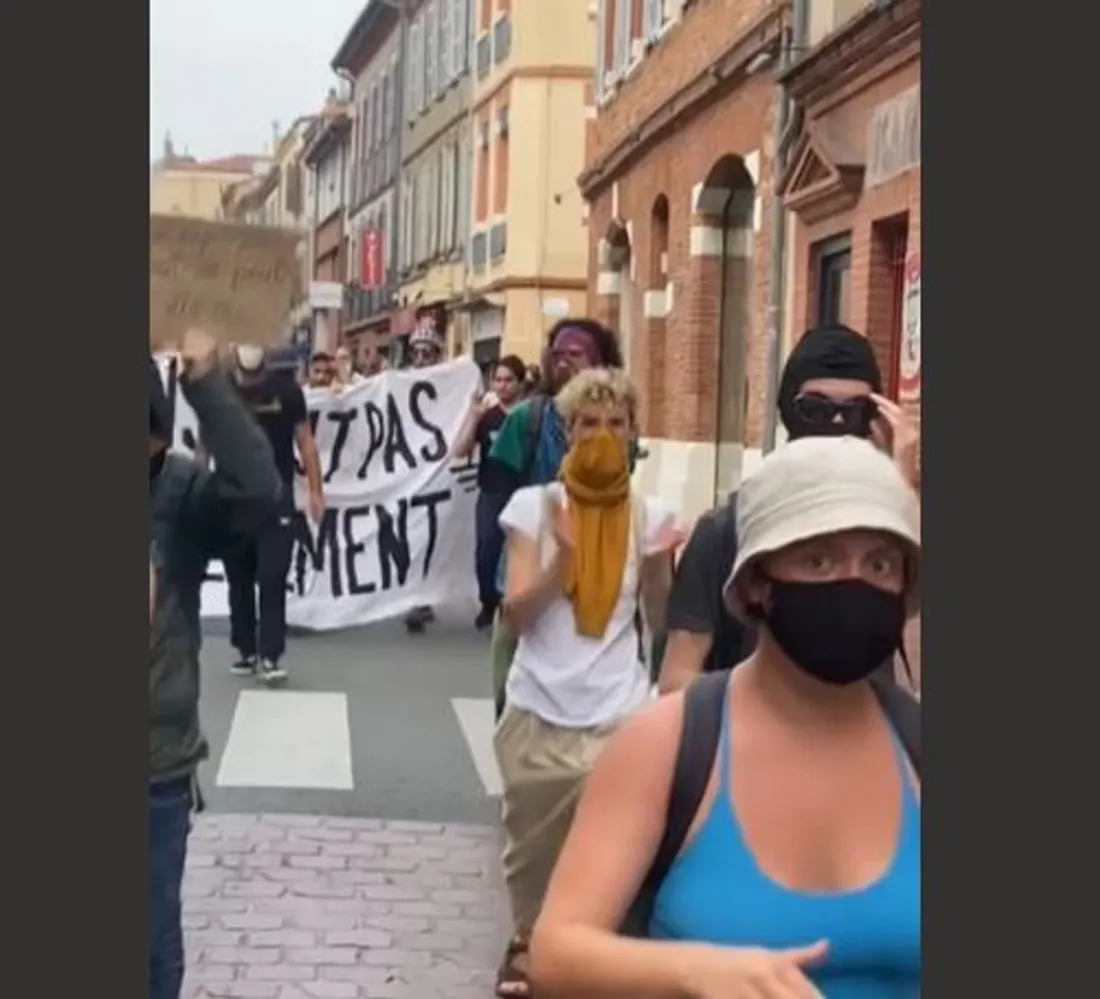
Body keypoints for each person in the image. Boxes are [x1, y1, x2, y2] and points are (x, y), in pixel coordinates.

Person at [529, 435, 921, 999]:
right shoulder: (669, 743)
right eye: (818, 560)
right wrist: (693, 972)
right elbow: (556, 954)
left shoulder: (919, 746)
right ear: (758, 582)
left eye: (879, 563)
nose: (851, 583)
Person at [492, 368, 679, 998]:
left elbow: (656, 620)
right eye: (589, 423)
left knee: (612, 858)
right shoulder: (533, 508)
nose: (602, 435)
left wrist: (664, 564)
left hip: (617, 715)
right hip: (538, 708)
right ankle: (527, 944)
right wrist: (564, 559)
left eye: (616, 423)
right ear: (568, 433)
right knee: (532, 855)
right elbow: (517, 614)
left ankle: (592, 961)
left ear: (633, 434)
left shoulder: (651, 517)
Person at [658, 323, 921, 694]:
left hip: (865, 743)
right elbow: (676, 681)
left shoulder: (887, 531)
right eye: (815, 408)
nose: (834, 424)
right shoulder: (727, 528)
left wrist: (901, 489)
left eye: (854, 411)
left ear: (875, 421)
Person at [150, 329, 281, 999]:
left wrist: (206, 383)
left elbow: (257, 489)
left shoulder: (179, 494)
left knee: (149, 943)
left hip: (153, 763)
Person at [486, 319, 625, 714]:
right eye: (557, 354)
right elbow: (497, 498)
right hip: (528, 579)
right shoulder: (524, 421)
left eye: (575, 354)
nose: (563, 362)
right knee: (513, 706)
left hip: (599, 583)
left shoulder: (619, 423)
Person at [224, 344, 325, 685]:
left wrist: (315, 491)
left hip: (275, 498)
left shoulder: (288, 392)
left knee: (272, 575)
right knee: (238, 578)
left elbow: (306, 443)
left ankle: (270, 654)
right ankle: (245, 649)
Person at [452, 354, 528, 629]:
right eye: (497, 380)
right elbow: (459, 451)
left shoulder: (529, 416)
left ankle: (517, 606)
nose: (502, 385)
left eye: (508, 380)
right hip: (491, 493)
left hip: (523, 495)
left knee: (522, 553)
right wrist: (473, 418)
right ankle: (488, 604)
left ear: (520, 384)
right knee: (487, 549)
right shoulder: (487, 418)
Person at [402, 322, 447, 632]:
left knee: (432, 534)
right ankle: (412, 595)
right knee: (409, 533)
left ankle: (424, 595)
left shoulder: (449, 385)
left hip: (438, 472)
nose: (421, 358)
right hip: (405, 471)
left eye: (427, 352)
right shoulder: (399, 383)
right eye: (416, 352)